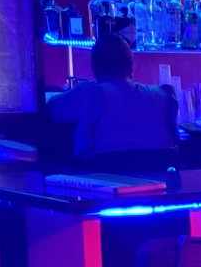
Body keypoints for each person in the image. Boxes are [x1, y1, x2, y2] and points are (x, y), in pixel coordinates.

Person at [46, 32, 180, 172]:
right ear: (131, 67)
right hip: (163, 179)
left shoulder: (90, 93)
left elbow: (52, 108)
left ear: (94, 69)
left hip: (106, 180)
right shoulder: (164, 95)